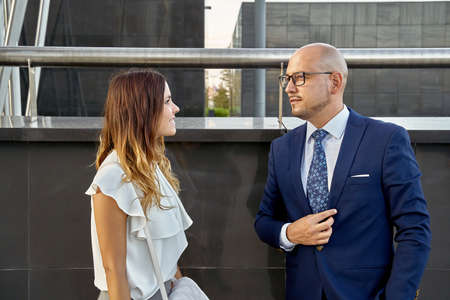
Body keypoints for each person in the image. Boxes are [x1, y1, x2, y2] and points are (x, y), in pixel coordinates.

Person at [254, 43, 431, 300]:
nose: (289, 88)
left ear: (334, 82)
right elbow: (264, 220)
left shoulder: (385, 139)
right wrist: (290, 233)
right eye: (287, 79)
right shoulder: (282, 149)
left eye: (299, 78)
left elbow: (415, 228)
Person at [86, 69, 193, 300]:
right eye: (167, 101)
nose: (175, 108)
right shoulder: (111, 179)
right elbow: (113, 271)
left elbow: (166, 256)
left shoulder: (153, 167)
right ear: (143, 110)